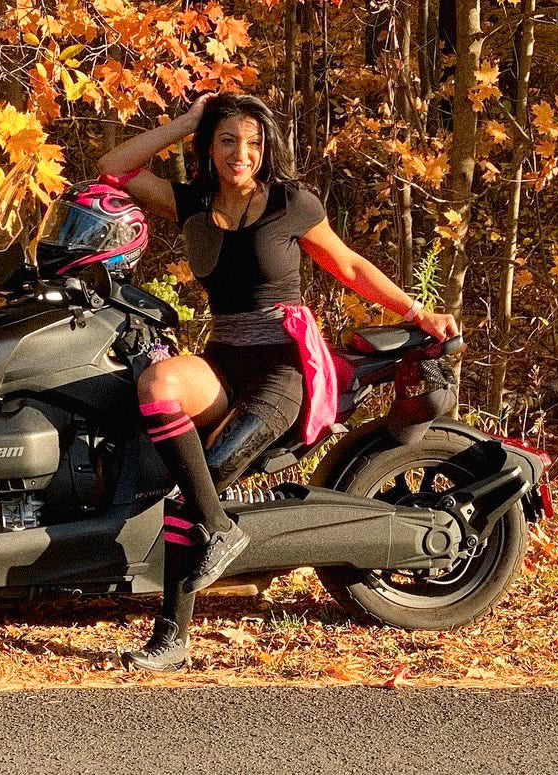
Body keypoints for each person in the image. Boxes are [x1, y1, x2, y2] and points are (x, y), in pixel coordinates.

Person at [97, 93, 460, 671]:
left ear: (268, 150)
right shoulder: (191, 202)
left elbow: (350, 267)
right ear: (210, 148)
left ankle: (171, 636)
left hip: (281, 368)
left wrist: (418, 313)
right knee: (157, 385)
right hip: (222, 357)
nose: (241, 153)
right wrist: (187, 120)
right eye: (227, 140)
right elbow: (114, 169)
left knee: (203, 476)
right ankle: (218, 529)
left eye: (254, 142)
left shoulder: (291, 203)